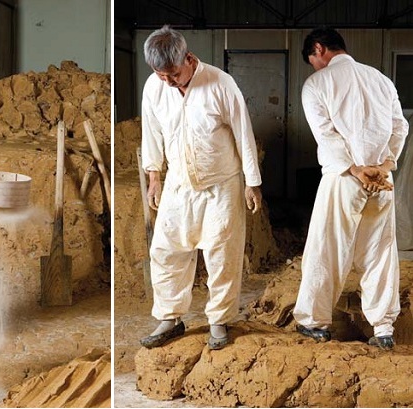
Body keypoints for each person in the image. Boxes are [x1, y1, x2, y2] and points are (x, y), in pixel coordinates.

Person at [139, 25, 263, 350]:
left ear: (189, 58)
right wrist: (154, 176)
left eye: (173, 73)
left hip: (221, 184)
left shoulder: (221, 84)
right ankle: (169, 318)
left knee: (222, 253)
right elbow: (151, 133)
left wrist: (253, 183)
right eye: (160, 74)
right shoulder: (154, 87)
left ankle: (219, 321)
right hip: (179, 184)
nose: (167, 80)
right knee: (166, 251)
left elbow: (243, 134)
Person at [293, 27, 409, 350]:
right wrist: (384, 166)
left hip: (344, 178)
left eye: (313, 60)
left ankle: (314, 322)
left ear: (319, 49)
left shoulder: (317, 85)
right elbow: (401, 126)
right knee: (381, 252)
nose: (314, 67)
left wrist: (357, 169)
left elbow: (326, 135)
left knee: (327, 248)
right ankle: (383, 328)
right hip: (380, 180)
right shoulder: (381, 81)